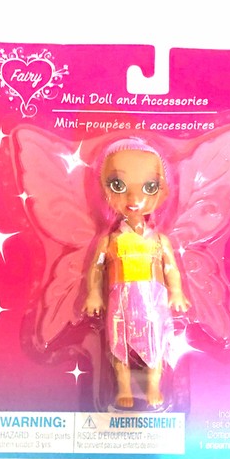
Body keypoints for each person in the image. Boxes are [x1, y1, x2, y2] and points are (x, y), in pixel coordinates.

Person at [82, 138, 190, 408]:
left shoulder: (159, 240)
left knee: (155, 340)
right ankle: (123, 389)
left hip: (153, 296)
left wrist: (176, 292)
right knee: (118, 341)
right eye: (117, 186)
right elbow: (96, 267)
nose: (134, 199)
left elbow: (170, 267)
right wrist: (94, 293)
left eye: (150, 187)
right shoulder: (110, 240)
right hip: (120, 296)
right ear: (105, 190)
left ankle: (153, 386)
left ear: (162, 191)